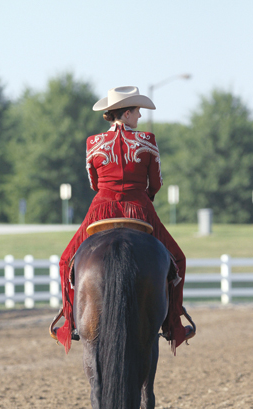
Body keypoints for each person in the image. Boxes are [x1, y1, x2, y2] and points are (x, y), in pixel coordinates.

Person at [52, 86, 195, 353]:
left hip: (101, 209)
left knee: (65, 261)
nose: (140, 117)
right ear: (127, 113)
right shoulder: (147, 140)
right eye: (138, 112)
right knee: (178, 259)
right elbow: (157, 183)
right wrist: (144, 196)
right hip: (139, 208)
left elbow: (94, 183)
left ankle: (69, 323)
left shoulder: (92, 143)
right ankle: (174, 325)